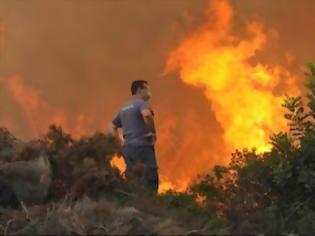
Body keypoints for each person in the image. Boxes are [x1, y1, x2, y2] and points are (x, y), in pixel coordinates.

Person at [111, 80, 158, 193]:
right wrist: (153, 133)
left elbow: (112, 126)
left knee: (133, 176)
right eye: (147, 89)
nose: (149, 92)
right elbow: (147, 115)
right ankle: (151, 203)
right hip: (143, 145)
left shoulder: (123, 108)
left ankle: (134, 201)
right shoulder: (141, 103)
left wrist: (119, 143)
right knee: (150, 176)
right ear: (140, 90)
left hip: (128, 148)